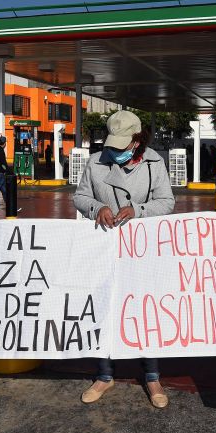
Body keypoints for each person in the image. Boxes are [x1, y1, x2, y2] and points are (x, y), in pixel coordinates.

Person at [73, 109, 175, 408]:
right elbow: (79, 197)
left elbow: (167, 202)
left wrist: (138, 211)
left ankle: (152, 375)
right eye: (112, 145)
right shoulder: (95, 162)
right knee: (105, 308)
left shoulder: (155, 163)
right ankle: (104, 374)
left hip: (143, 249)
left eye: (122, 145)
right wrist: (96, 208)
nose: (115, 152)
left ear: (137, 140)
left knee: (145, 310)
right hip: (105, 248)